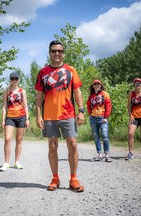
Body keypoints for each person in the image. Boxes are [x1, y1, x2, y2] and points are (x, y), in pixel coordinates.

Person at [35, 40, 85, 192]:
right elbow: (39, 96)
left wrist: (81, 110)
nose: (57, 53)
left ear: (63, 53)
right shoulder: (43, 72)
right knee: (52, 146)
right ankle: (55, 178)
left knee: (73, 144)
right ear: (49, 53)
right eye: (54, 51)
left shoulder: (70, 70)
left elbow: (77, 91)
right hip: (49, 115)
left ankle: (74, 179)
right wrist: (38, 115)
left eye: (59, 51)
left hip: (67, 113)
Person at [0, 72, 29, 171]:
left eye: (16, 79)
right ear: (10, 80)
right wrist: (3, 120)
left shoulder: (22, 91)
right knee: (7, 139)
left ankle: (17, 162)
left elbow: (25, 106)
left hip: (21, 117)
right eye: (12, 79)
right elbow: (4, 106)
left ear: (18, 80)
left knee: (19, 139)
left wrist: (27, 118)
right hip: (10, 117)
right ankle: (6, 163)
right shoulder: (6, 91)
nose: (14, 80)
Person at [87, 79, 113, 162]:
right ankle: (99, 154)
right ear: (93, 86)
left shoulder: (105, 94)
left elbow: (108, 106)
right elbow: (88, 106)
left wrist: (106, 117)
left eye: (98, 84)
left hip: (102, 118)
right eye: (95, 84)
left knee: (105, 136)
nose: (96, 85)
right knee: (96, 137)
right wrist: (91, 114)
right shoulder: (91, 96)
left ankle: (107, 155)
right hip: (93, 118)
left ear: (100, 85)